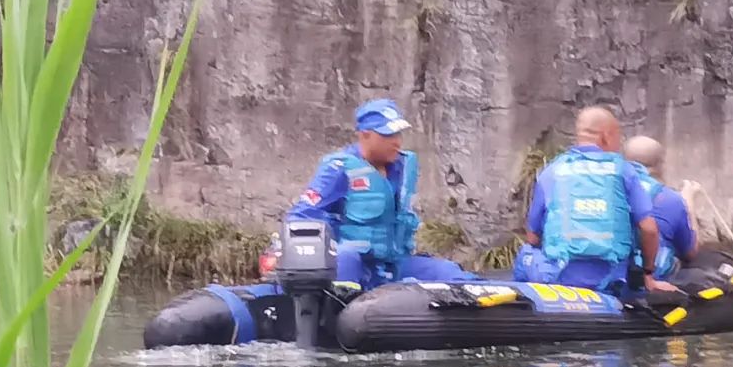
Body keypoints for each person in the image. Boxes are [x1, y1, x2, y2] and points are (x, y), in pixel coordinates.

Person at [286, 98, 476, 290]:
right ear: (365, 135)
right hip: (359, 266)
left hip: (394, 265)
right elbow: (301, 218)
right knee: (347, 259)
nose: (397, 142)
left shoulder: (400, 167)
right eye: (387, 135)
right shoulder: (338, 169)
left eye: (398, 134)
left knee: (446, 271)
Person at [513, 106, 678, 294]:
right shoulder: (623, 171)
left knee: (526, 254)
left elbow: (533, 237)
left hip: (559, 277)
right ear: (606, 136)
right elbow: (649, 229)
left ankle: (527, 304)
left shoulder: (552, 171)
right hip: (610, 279)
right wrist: (648, 275)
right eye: (618, 137)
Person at [623, 135, 700, 281]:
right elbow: (690, 252)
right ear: (660, 165)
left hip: (612, 273)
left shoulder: (609, 187)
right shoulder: (671, 199)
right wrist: (688, 201)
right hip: (646, 278)